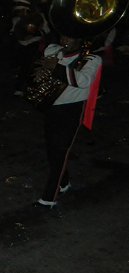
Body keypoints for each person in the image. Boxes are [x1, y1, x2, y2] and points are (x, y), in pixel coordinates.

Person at [33, 35, 101, 208]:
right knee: (51, 150)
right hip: (51, 106)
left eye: (70, 38)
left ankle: (50, 197)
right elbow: (46, 70)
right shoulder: (53, 50)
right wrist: (42, 73)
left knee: (61, 150)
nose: (65, 41)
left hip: (71, 109)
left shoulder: (92, 59)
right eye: (63, 36)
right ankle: (64, 182)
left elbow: (83, 81)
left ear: (80, 41)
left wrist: (55, 68)